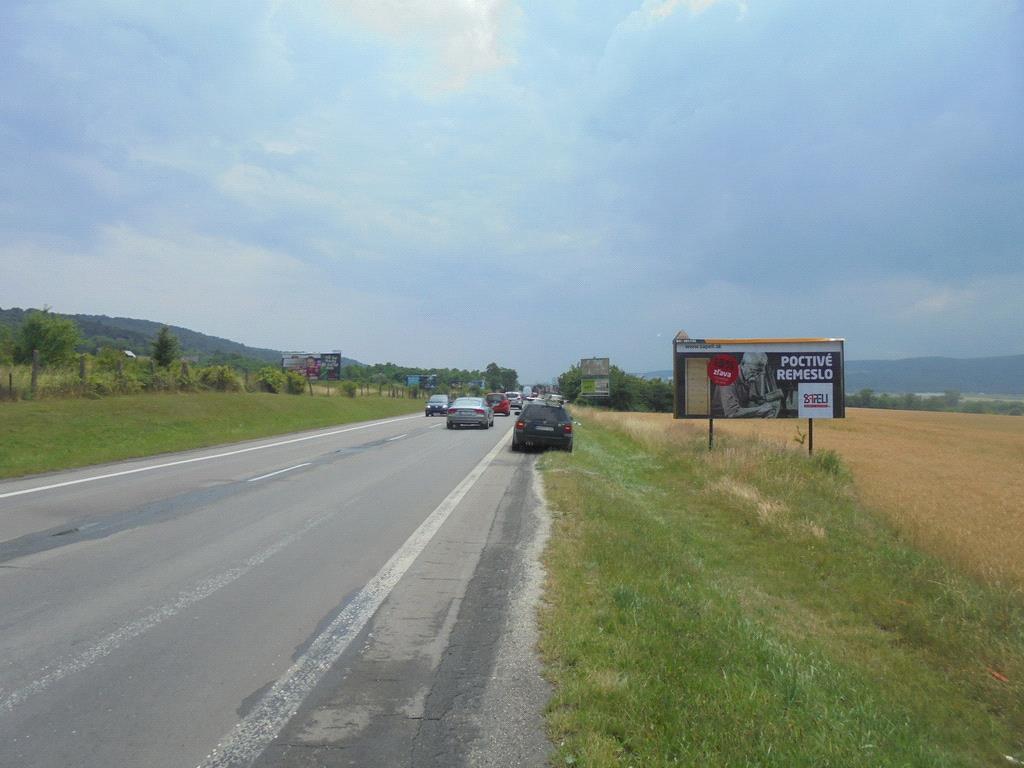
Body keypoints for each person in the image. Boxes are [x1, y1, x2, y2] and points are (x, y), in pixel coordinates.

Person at [714, 352, 784, 418]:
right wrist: (760, 409)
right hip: (722, 420)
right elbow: (731, 413)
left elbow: (753, 399)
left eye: (759, 373)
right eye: (753, 371)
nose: (756, 376)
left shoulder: (751, 375)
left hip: (742, 418)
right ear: (742, 364)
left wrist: (767, 402)